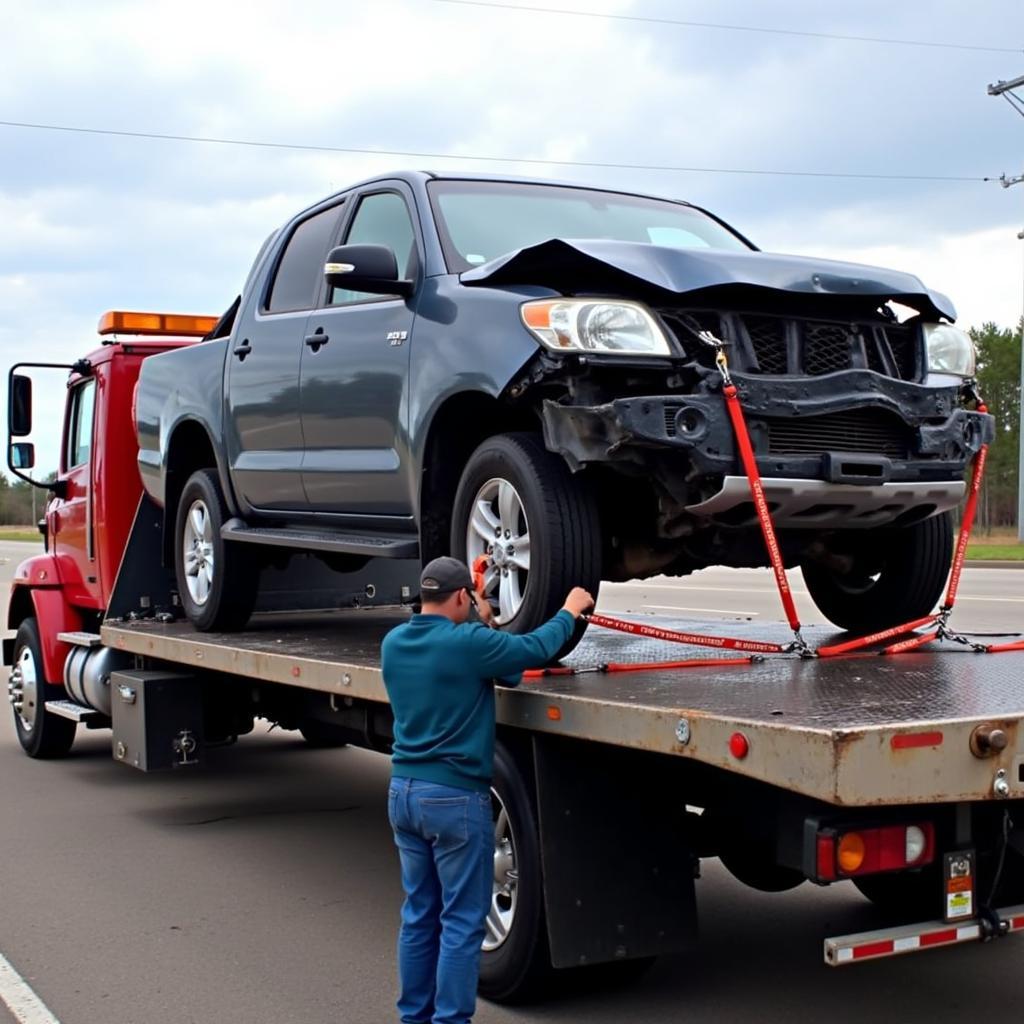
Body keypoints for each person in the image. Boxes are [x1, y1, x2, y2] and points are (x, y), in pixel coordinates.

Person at [381, 556, 594, 1024]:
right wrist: (570, 610)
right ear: (462, 597)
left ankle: (413, 1017)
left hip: (404, 793)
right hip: (453, 798)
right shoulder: (468, 643)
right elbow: (533, 649)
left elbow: (505, 669)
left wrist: (485, 624)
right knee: (461, 920)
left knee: (420, 915)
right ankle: (452, 1021)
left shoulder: (394, 643)